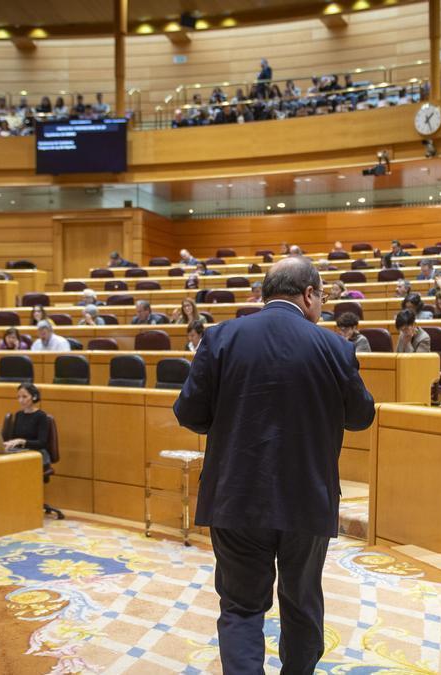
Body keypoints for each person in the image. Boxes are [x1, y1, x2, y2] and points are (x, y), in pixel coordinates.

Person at [173, 256, 375, 674]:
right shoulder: (335, 347)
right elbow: (361, 417)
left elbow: (188, 413)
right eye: (321, 296)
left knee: (242, 607)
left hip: (235, 494)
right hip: (307, 497)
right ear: (308, 295)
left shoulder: (221, 337)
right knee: (301, 603)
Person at [1, 383, 51, 460]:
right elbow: (14, 438)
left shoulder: (41, 416)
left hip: (38, 454)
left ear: (34, 397)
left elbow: (42, 443)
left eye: (24, 397)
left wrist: (22, 441)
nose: (21, 400)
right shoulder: (18, 414)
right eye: (18, 397)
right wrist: (8, 443)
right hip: (21, 452)